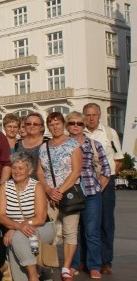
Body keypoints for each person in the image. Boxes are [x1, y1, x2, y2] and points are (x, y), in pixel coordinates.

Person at [36, 112, 83, 281]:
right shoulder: (44, 147)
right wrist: (49, 190)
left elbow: (76, 170)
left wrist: (60, 191)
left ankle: (66, 266)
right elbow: (40, 172)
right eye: (51, 124)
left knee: (70, 232)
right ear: (48, 127)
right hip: (49, 195)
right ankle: (48, 263)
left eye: (57, 123)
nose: (55, 127)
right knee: (50, 231)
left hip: (69, 193)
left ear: (63, 125)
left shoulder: (73, 144)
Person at [67, 111, 111, 279]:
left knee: (92, 231)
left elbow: (106, 169)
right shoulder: (63, 144)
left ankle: (94, 265)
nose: (75, 126)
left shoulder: (94, 144)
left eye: (79, 123)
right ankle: (74, 264)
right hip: (71, 193)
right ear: (67, 126)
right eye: (72, 123)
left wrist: (99, 186)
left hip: (92, 192)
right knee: (72, 232)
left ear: (83, 126)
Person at [0, 152, 55, 281]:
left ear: (29, 170)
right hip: (19, 230)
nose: (16, 171)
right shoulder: (5, 187)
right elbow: (0, 216)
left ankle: (33, 275)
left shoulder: (37, 186)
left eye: (21, 168)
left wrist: (15, 228)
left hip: (41, 227)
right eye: (14, 167)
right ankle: (32, 274)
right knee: (15, 249)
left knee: (16, 237)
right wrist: (17, 226)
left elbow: (40, 217)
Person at [82, 102, 123, 275]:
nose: (91, 118)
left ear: (99, 116)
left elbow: (118, 159)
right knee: (86, 223)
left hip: (106, 183)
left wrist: (105, 179)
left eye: (94, 115)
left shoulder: (109, 133)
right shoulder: (77, 132)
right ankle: (87, 259)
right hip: (85, 184)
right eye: (88, 115)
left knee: (106, 222)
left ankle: (105, 260)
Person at [13, 112, 47, 179]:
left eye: (35, 124)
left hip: (43, 184)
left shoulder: (47, 142)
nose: (32, 126)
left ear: (41, 127)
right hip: (22, 183)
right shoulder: (18, 143)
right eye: (28, 124)